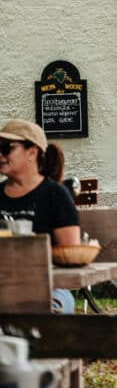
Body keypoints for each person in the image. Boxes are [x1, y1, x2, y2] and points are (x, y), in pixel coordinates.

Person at [0, 119, 80, 313]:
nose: (0, 155)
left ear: (32, 152)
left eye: (6, 148)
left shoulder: (55, 194)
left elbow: (70, 252)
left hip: (49, 287)